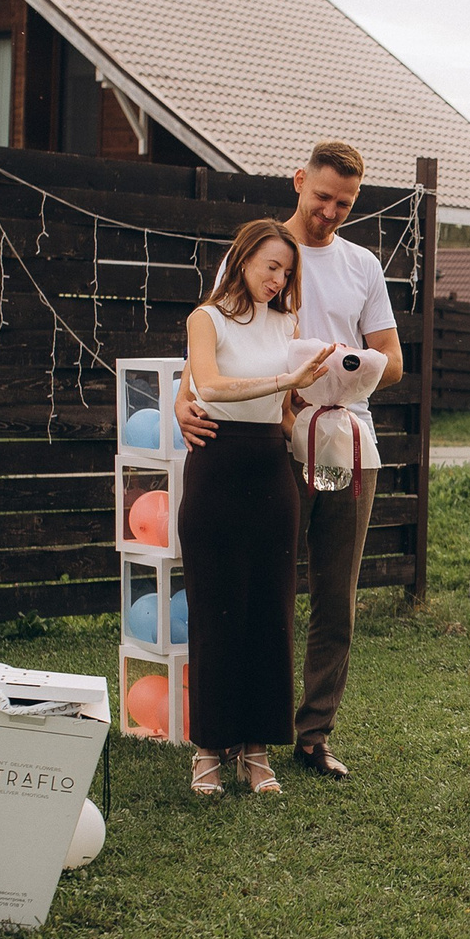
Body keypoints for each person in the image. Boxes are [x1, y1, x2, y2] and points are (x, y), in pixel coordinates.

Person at [179, 141, 401, 780]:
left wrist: (339, 378)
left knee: (332, 590)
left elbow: (393, 361)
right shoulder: (256, 253)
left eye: (346, 204)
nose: (332, 211)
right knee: (260, 588)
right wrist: (177, 404)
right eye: (323, 196)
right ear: (299, 182)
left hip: (334, 448)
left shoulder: (362, 266)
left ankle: (311, 734)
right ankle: (235, 739)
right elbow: (212, 340)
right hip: (271, 449)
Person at [175, 219, 333, 795]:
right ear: (242, 259)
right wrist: (286, 378)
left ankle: (258, 748)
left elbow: (287, 410)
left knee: (271, 612)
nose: (277, 279)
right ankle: (208, 748)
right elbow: (209, 387)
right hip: (216, 464)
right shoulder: (205, 319)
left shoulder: (288, 323)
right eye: (270, 265)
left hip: (272, 470)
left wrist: (317, 429)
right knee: (215, 611)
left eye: (286, 272)